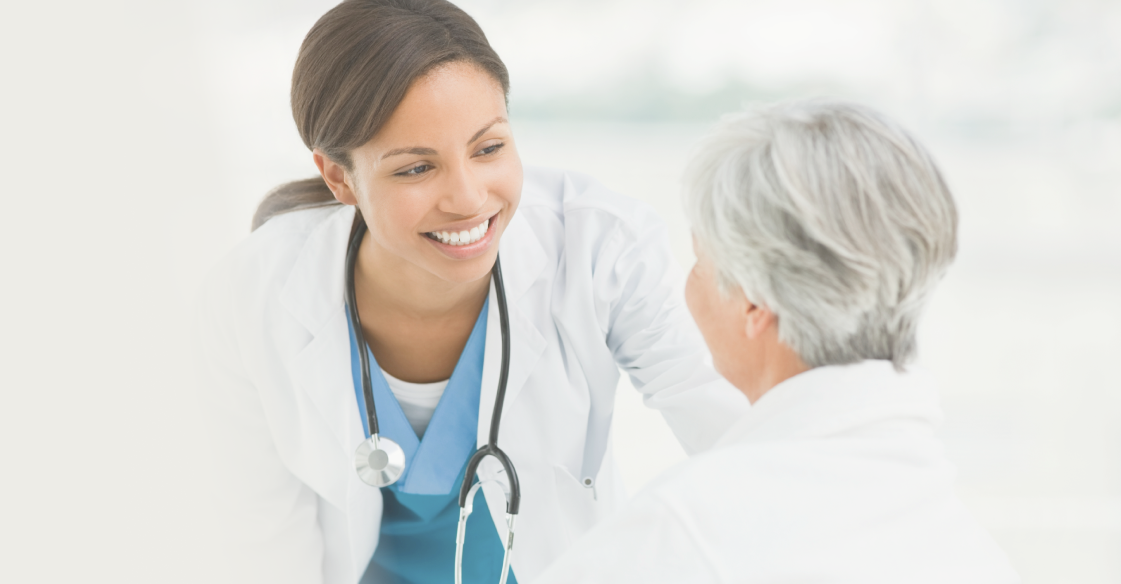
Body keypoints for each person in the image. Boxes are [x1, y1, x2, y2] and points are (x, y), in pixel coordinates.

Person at [192, 1, 748, 582]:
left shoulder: (598, 247)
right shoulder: (251, 297)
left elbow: (740, 433)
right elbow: (259, 544)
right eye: (415, 169)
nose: (468, 198)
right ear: (338, 176)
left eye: (488, 149)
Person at [535, 99, 1019, 583]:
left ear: (753, 304)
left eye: (701, 259)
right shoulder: (970, 549)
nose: (690, 281)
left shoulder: (684, 533)